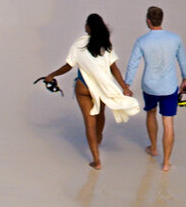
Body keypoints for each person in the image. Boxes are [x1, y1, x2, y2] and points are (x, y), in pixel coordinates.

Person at [40, 13, 140, 168]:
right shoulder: (106, 46)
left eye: (86, 24)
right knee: (100, 116)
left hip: (83, 88)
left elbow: (69, 65)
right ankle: (98, 137)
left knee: (89, 122)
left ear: (89, 27)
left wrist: (51, 75)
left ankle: (96, 160)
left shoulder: (79, 44)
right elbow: (114, 68)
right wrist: (124, 87)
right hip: (102, 88)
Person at [127, 6, 186, 171]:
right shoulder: (175, 39)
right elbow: (182, 61)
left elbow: (133, 64)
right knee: (168, 122)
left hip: (149, 85)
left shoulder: (142, 41)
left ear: (148, 21)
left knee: (151, 113)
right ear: (161, 20)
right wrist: (185, 78)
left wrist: (127, 84)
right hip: (169, 86)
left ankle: (154, 147)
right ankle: (166, 162)